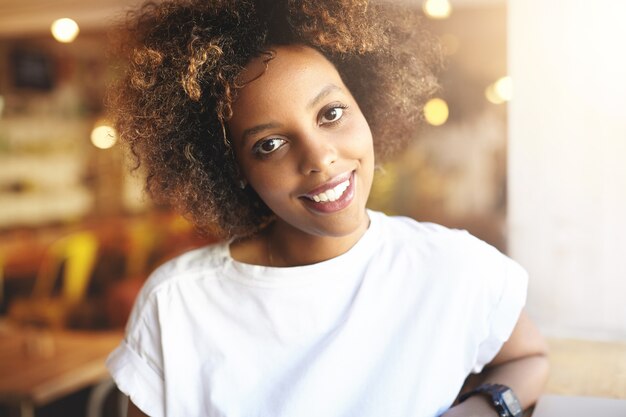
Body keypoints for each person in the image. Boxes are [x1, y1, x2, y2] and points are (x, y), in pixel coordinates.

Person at [106, 1, 549, 416]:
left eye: (331, 114)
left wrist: (481, 408)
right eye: (270, 144)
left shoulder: (454, 266)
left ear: (365, 106)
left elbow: (528, 358)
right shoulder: (178, 304)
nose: (319, 158)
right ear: (234, 168)